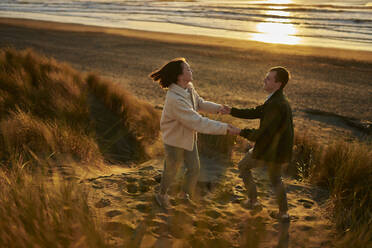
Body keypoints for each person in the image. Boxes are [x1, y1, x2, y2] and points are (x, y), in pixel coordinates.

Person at [149, 57, 240, 209]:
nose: (191, 71)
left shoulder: (189, 87)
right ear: (179, 76)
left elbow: (200, 103)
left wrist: (219, 108)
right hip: (174, 139)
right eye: (188, 69)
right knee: (171, 169)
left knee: (194, 168)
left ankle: (184, 195)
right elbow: (198, 122)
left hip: (188, 137)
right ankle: (162, 194)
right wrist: (225, 128)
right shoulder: (174, 98)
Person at [220, 66, 294, 222]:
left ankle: (253, 202)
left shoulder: (276, 103)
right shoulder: (278, 99)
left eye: (268, 78)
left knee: (243, 166)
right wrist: (232, 111)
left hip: (269, 149)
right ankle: (284, 213)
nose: (264, 80)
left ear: (278, 83)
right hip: (279, 150)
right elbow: (255, 111)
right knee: (275, 179)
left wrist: (240, 132)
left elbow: (264, 133)